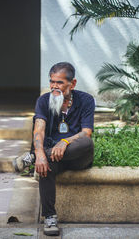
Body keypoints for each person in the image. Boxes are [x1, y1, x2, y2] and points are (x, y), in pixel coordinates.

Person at [13, 62, 95, 236]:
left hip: (77, 156)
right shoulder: (44, 100)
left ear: (72, 84)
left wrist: (65, 142)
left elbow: (86, 132)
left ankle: (32, 158)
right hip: (54, 157)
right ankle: (49, 217)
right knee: (46, 163)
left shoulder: (86, 100)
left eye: (59, 83)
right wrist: (42, 154)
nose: (54, 86)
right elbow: (39, 129)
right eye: (52, 82)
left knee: (87, 143)